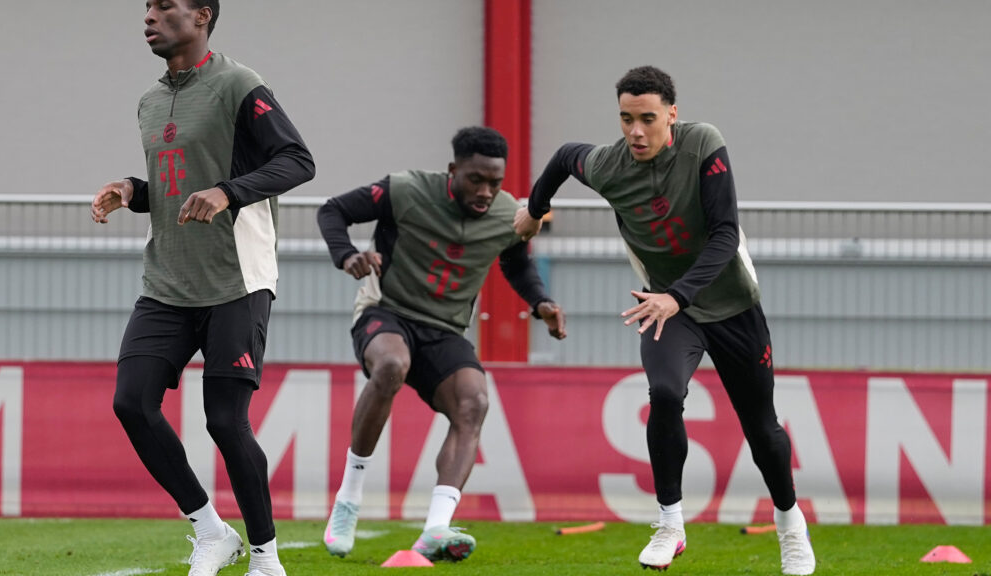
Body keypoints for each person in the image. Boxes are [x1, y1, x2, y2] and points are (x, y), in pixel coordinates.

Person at [515, 66, 816, 575]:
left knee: (762, 429)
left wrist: (678, 295)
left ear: (671, 115)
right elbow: (566, 155)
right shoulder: (609, 165)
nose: (635, 131)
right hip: (666, 309)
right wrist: (534, 208)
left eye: (648, 119)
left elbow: (725, 234)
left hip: (732, 306)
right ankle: (671, 524)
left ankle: (790, 525)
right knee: (665, 393)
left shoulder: (703, 144)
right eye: (626, 119)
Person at [90, 2, 314, 575]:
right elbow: (174, 185)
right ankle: (212, 531)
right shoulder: (148, 100)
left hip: (236, 281)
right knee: (131, 403)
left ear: (202, 16)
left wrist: (228, 191)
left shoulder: (239, 83)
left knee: (224, 421)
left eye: (165, 6)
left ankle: (265, 558)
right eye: (147, 7)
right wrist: (133, 190)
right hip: (166, 282)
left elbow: (298, 161)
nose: (150, 16)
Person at [316, 126, 566, 562]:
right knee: (391, 366)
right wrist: (347, 255)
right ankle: (348, 500)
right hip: (386, 310)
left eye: (495, 182)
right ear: (453, 170)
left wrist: (540, 301)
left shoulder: (509, 213)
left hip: (446, 330)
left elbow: (516, 263)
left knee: (474, 403)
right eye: (476, 179)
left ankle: (435, 528)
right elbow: (333, 210)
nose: (485, 191)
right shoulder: (405, 190)